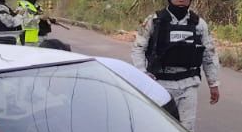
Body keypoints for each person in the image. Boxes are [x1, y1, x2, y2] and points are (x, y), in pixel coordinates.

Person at [131, 0, 220, 132]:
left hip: (188, 85)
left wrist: (214, 84)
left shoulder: (199, 24)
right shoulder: (154, 21)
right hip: (160, 84)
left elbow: (209, 54)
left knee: (187, 131)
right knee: (158, 129)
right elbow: (138, 48)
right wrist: (143, 74)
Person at [40, 39, 180, 119]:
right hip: (142, 103)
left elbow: (98, 114)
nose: (47, 86)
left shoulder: (85, 75)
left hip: (158, 105)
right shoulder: (76, 68)